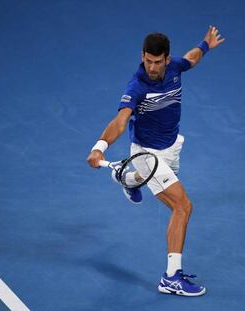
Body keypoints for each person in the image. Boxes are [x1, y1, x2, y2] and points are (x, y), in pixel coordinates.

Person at [86, 26, 225, 296]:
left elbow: (192, 58)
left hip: (171, 147)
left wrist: (205, 44)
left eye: (157, 62)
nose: (151, 67)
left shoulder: (175, 67)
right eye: (147, 61)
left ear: (166, 59)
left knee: (149, 181)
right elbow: (120, 120)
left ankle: (126, 179)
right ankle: (171, 276)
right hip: (146, 153)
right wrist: (99, 146)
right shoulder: (136, 86)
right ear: (142, 56)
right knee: (183, 207)